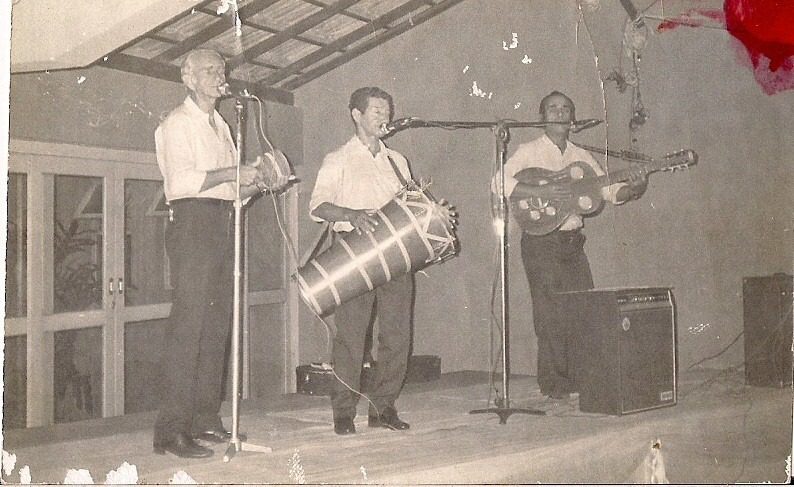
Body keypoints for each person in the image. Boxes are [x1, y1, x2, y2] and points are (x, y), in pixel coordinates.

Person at [153, 48, 289, 458]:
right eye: (210, 70)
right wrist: (235, 172)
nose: (219, 76)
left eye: (222, 70)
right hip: (193, 223)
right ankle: (171, 431)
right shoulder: (177, 123)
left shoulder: (223, 126)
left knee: (216, 327)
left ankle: (204, 419)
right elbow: (180, 183)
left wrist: (260, 182)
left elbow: (231, 192)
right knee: (189, 328)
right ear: (189, 79)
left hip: (223, 221)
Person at [493, 91, 647, 400]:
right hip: (541, 241)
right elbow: (498, 182)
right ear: (541, 117)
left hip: (573, 243)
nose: (560, 113)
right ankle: (554, 383)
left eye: (566, 108)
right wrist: (543, 192)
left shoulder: (581, 156)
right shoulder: (528, 151)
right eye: (553, 108)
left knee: (581, 309)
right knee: (549, 314)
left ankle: (579, 378)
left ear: (573, 118)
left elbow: (609, 192)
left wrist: (634, 187)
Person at [309, 87, 414, 435]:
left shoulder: (397, 161)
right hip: (354, 251)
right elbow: (318, 206)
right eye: (377, 111)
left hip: (397, 252)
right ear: (356, 115)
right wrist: (351, 215)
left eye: (388, 110)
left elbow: (410, 205)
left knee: (397, 335)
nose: (386, 117)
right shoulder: (337, 158)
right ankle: (343, 411)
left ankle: (383, 408)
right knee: (351, 337)